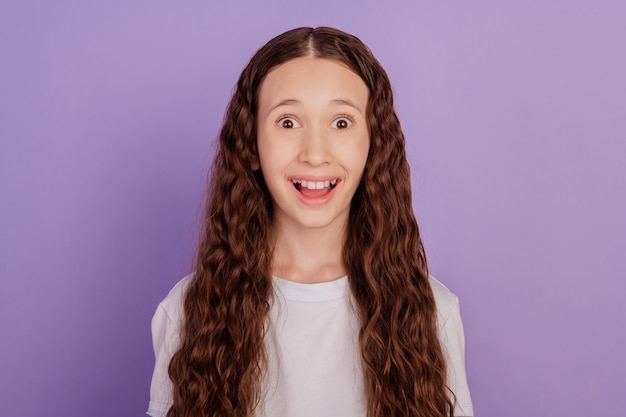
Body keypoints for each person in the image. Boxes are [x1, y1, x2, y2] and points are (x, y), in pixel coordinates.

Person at [147, 26, 474, 417]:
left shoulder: (433, 312)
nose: (315, 154)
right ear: (252, 144)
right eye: (288, 122)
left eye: (341, 123)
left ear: (373, 145)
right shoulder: (187, 311)